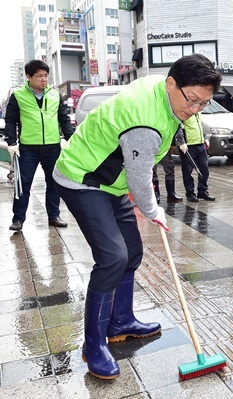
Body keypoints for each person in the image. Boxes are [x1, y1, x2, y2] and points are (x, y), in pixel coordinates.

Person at [52, 54, 221, 380]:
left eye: (204, 104)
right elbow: (140, 176)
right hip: (82, 177)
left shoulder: (165, 93)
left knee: (132, 251)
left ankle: (120, 320)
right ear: (172, 83)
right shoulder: (146, 119)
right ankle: (94, 345)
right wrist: (153, 209)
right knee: (113, 258)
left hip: (111, 181)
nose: (195, 110)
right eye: (193, 100)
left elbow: (138, 170)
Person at [4, 59, 74, 232]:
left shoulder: (54, 94)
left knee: (54, 182)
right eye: (39, 76)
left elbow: (63, 119)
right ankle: (18, 219)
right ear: (29, 77)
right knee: (23, 184)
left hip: (52, 147)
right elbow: (10, 121)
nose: (44, 79)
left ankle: (54, 215)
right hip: (28, 149)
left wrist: (70, 139)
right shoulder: (19, 96)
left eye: (46, 76)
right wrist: (12, 143)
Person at [180, 113, 215, 202]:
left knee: (204, 170)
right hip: (189, 146)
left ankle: (202, 191)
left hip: (200, 144)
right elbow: (178, 128)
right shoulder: (184, 112)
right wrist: (181, 142)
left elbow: (201, 126)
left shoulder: (198, 113)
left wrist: (205, 137)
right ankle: (190, 193)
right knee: (188, 171)